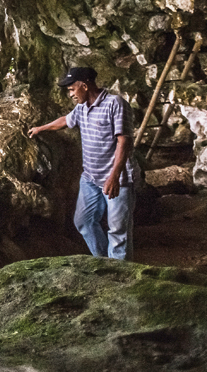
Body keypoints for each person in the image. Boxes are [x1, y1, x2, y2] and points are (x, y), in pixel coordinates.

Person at [28, 67, 140, 260]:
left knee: (118, 230)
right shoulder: (82, 108)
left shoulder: (115, 104)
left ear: (85, 86)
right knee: (84, 221)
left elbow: (124, 141)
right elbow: (66, 121)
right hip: (90, 178)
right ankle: (106, 263)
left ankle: (121, 277)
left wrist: (114, 177)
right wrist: (41, 128)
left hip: (117, 179)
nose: (70, 94)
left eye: (72, 89)